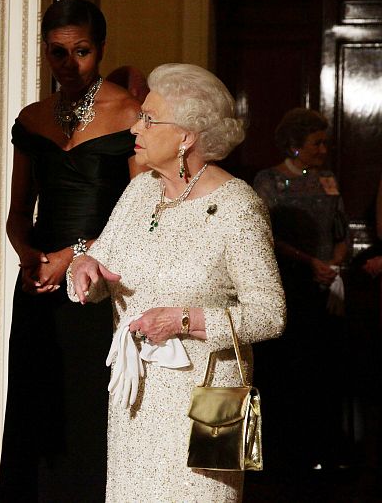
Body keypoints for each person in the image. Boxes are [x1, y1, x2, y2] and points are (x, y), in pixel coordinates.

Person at [68, 63, 286, 502]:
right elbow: (103, 269)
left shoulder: (238, 208)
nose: (135, 126)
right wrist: (83, 269)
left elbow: (270, 315)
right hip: (136, 401)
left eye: (149, 118)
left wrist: (183, 320)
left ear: (185, 137)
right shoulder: (141, 191)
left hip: (208, 404)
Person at [0, 0, 141, 502]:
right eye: (58, 53)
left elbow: (141, 219)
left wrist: (74, 255)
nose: (69, 65)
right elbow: (17, 214)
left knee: (88, 417)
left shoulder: (130, 113)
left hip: (100, 286)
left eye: (81, 51)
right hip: (38, 288)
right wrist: (29, 258)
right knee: (36, 417)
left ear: (99, 49)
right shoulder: (32, 119)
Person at [253, 107, 349, 470]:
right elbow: (265, 235)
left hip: (326, 283)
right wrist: (310, 263)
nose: (323, 150)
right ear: (294, 145)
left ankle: (322, 449)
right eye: (316, 143)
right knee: (290, 370)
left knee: (324, 370)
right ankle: (284, 453)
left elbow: (340, 228)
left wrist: (336, 262)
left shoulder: (327, 178)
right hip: (289, 283)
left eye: (325, 143)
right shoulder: (270, 181)